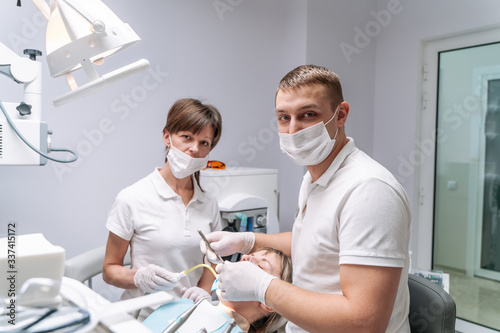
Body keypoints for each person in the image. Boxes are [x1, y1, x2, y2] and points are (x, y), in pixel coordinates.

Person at [201, 65, 411, 332]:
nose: (293, 130)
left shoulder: (368, 190)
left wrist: (263, 287)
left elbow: (365, 322)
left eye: (308, 115)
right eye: (283, 117)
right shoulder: (313, 180)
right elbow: (314, 242)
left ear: (341, 115)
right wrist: (248, 240)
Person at [103, 98, 223, 317]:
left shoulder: (209, 203)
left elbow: (212, 260)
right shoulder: (132, 198)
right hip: (144, 317)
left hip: (190, 316)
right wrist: (138, 277)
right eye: (186, 137)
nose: (194, 149)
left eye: (204, 143)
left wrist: (204, 291)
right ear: (167, 137)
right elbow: (109, 270)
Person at [142, 247, 293, 333]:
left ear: (268, 303)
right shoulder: (185, 304)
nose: (245, 258)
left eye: (259, 266)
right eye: (248, 256)